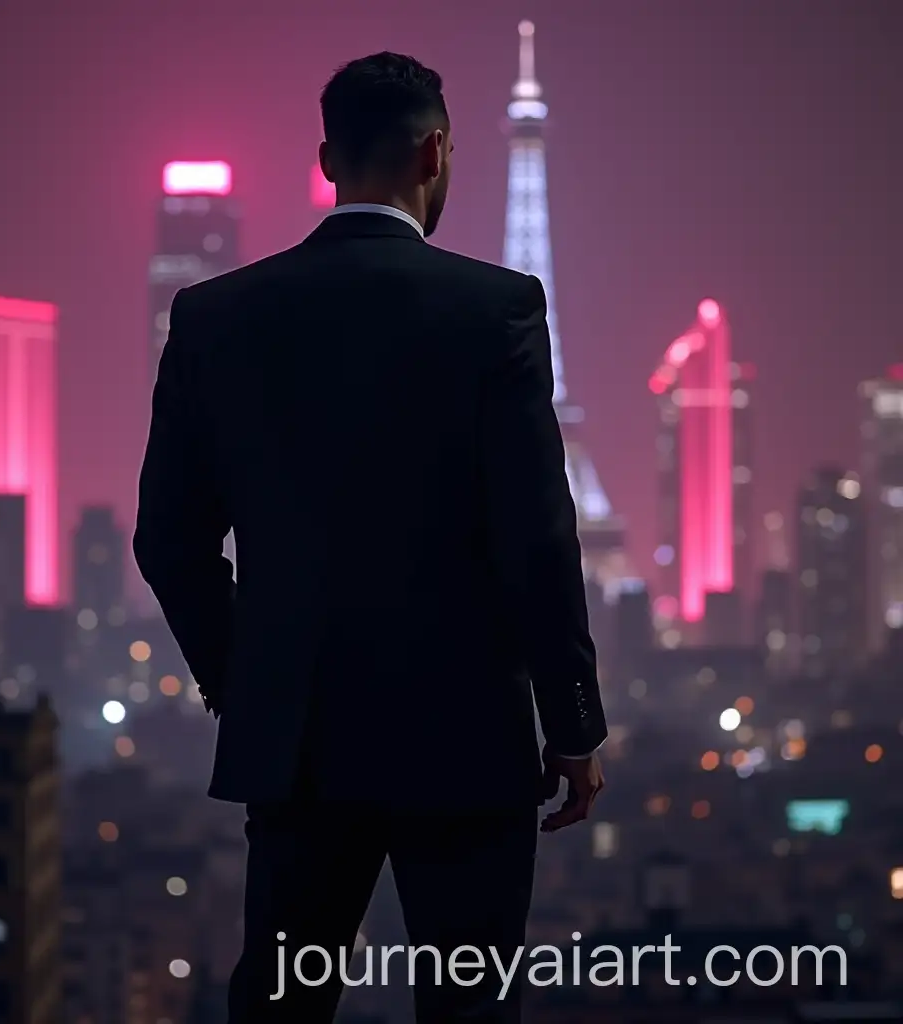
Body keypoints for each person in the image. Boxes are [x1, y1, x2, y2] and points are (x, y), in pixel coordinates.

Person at [134, 50, 608, 1024]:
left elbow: (169, 540)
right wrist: (571, 723)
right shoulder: (498, 309)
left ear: (324, 157)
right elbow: (538, 541)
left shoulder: (215, 317)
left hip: (299, 739)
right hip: (466, 739)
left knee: (282, 1003)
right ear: (434, 149)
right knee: (469, 1007)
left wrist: (248, 679)